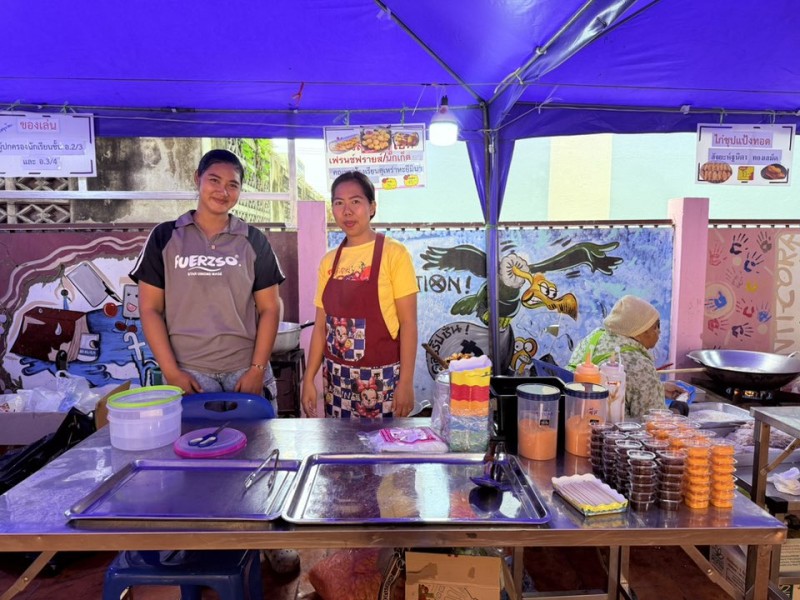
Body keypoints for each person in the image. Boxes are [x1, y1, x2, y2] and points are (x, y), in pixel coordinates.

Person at [129, 149, 298, 573]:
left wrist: (257, 369)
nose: (223, 191)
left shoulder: (253, 240)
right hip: (189, 374)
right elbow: (149, 309)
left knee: (262, 460)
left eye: (233, 184)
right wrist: (171, 371)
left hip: (246, 370)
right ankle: (197, 544)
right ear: (198, 179)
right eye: (215, 180)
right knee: (193, 470)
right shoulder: (166, 237)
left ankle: (269, 540)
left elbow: (270, 309)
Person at [301, 171, 419, 419]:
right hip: (336, 380)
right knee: (340, 442)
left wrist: (406, 382)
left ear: (372, 207)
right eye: (339, 203)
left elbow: (408, 323)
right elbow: (321, 326)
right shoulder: (329, 261)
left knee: (382, 442)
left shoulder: (394, 254)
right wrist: (309, 378)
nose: (347, 211)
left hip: (383, 381)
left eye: (355, 201)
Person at [567, 295, 680, 418]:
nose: (659, 332)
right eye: (656, 326)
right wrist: (678, 409)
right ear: (641, 330)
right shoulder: (640, 365)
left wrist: (658, 388)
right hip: (610, 429)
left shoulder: (594, 338)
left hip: (573, 419)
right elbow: (656, 421)